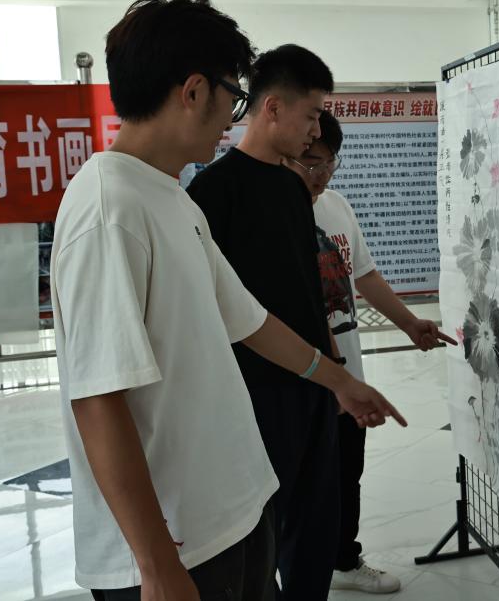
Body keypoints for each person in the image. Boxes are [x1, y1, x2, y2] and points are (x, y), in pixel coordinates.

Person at [52, 0, 404, 601]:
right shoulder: (109, 210)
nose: (233, 117)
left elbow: (250, 320)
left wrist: (339, 382)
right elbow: (98, 401)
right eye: (233, 97)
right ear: (193, 91)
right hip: (176, 547)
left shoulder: (171, 198)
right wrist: (156, 565)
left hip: (233, 512)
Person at [187, 45, 353, 601]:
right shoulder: (212, 193)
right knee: (259, 531)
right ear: (274, 108)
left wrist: (333, 373)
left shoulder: (291, 189)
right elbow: (211, 311)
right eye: (311, 116)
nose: (316, 131)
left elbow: (309, 290)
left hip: (311, 384)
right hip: (253, 393)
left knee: (317, 524)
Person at [285, 110, 457, 594]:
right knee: (301, 487)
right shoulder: (274, 215)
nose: (320, 175)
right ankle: (294, 575)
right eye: (310, 162)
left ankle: (344, 559)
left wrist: (409, 323)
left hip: (349, 376)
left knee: (347, 473)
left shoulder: (337, 206)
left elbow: (364, 275)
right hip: (302, 376)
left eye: (328, 163)